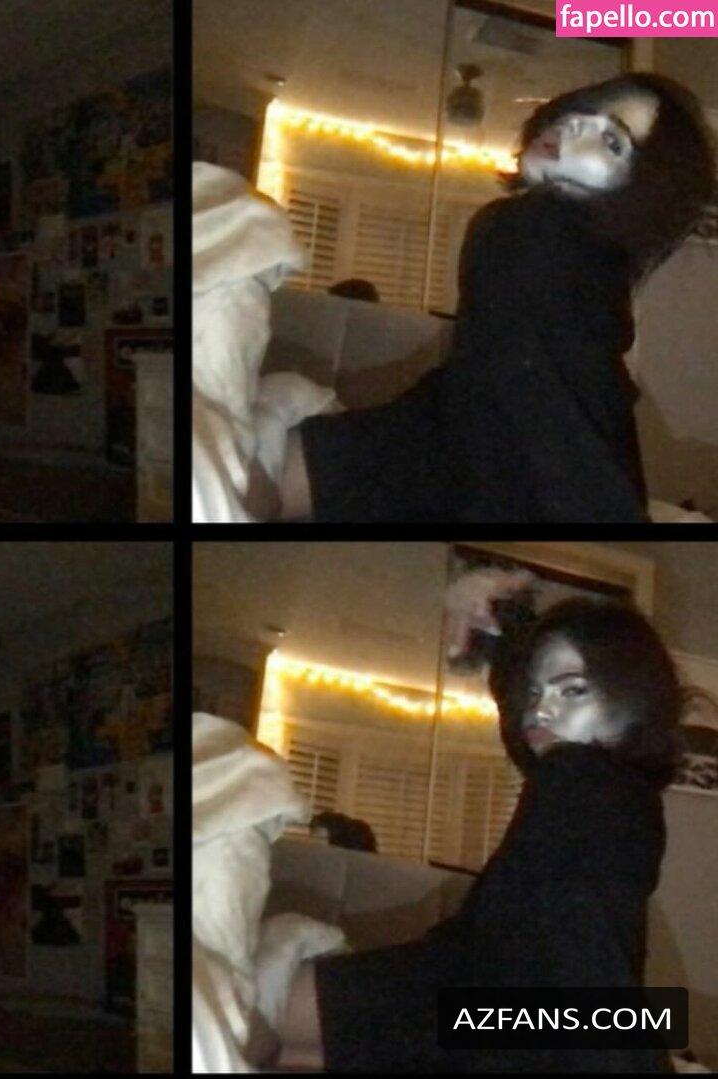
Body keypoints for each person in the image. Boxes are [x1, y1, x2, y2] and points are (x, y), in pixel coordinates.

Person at [272, 569, 684, 1072]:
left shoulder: (586, 780)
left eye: (573, 690)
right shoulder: (611, 791)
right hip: (499, 1004)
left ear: (635, 700)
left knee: (258, 1016)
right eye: (534, 694)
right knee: (272, 1029)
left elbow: (584, 947)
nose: (540, 711)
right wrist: (506, 634)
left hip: (494, 1003)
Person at [277, 73, 715, 522]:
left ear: (639, 193)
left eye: (613, 142)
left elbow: (547, 449)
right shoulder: (556, 261)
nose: (577, 124)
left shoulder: (536, 229)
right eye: (588, 109)